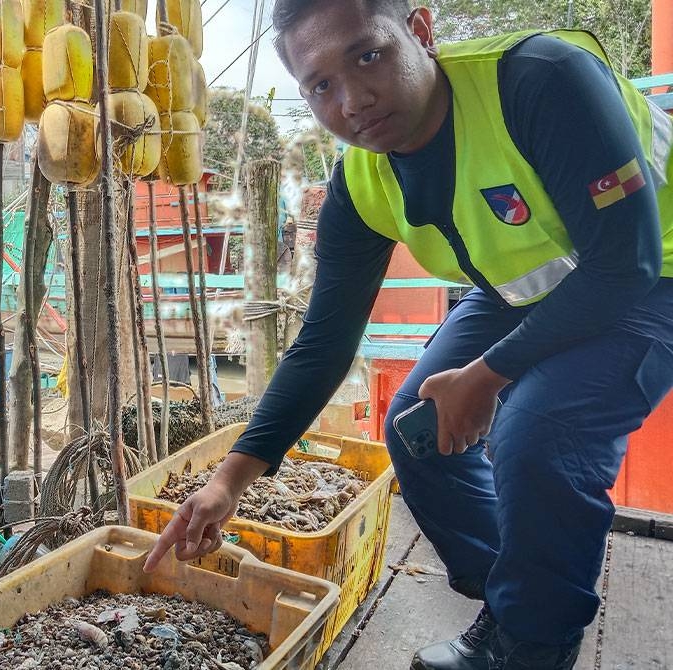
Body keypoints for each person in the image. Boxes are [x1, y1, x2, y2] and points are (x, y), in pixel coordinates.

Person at [143, 1, 673, 668]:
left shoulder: (541, 79)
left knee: (539, 437)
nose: (353, 100)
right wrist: (229, 480)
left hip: (653, 269)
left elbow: (624, 264)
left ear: (420, 31)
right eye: (321, 85)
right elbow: (324, 341)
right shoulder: (361, 184)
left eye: (369, 55)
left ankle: (534, 646)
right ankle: (516, 602)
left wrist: (485, 376)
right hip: (528, 284)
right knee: (416, 427)